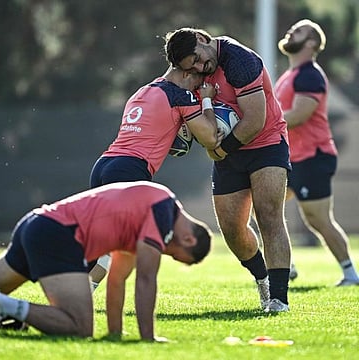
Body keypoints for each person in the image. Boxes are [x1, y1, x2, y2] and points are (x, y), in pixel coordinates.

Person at [0, 181, 213, 341]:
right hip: (58, 234)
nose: (166, 254)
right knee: (80, 327)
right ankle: (2, 306)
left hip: (38, 224)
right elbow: (146, 279)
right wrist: (148, 339)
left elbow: (118, 279)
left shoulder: (146, 213)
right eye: (176, 256)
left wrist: (114, 334)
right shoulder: (163, 212)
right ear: (187, 240)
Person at [164, 27, 293, 312]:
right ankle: (263, 280)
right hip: (229, 155)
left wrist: (219, 150)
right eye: (191, 67)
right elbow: (166, 88)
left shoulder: (239, 59)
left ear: (201, 39)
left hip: (266, 144)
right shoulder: (191, 67)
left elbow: (255, 120)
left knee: (269, 217)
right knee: (233, 231)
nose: (199, 68)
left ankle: (279, 299)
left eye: (198, 60)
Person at [87, 43, 222, 290]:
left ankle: (75, 297)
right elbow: (211, 137)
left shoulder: (144, 90)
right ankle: (118, 307)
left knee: (103, 246)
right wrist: (206, 102)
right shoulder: (180, 95)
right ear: (185, 73)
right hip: (129, 170)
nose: (196, 88)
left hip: (104, 165)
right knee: (138, 247)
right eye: (195, 82)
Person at [275, 19, 359, 286]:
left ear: (311, 42)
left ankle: (350, 274)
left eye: (298, 31)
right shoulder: (289, 75)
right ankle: (284, 265)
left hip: (313, 156)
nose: (291, 32)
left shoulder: (309, 74)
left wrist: (263, 122)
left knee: (318, 220)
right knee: (264, 205)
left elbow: (300, 115)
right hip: (291, 158)